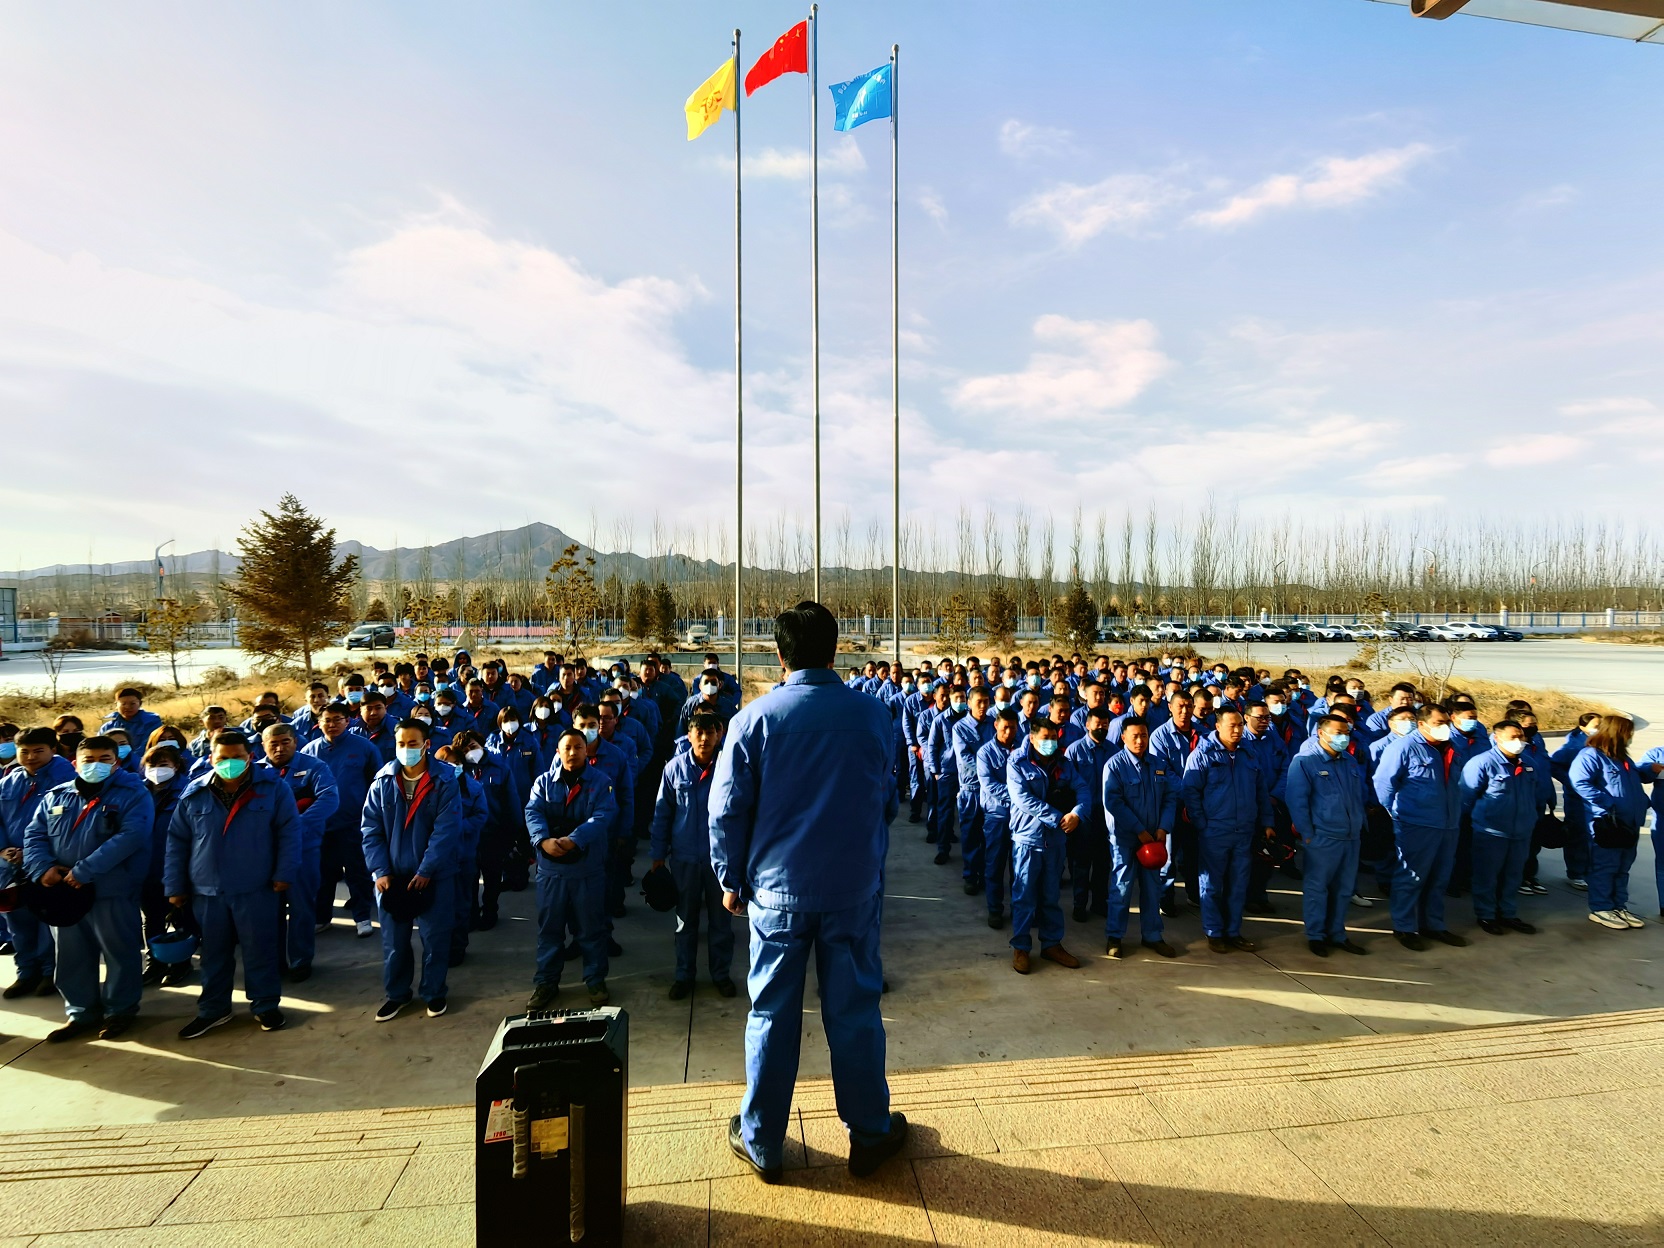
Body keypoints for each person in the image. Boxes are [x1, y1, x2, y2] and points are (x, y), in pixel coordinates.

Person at [709, 602, 906, 1185]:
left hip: (776, 895)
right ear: (835, 649)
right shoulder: (873, 716)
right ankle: (869, 1133)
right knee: (856, 1013)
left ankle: (763, 1141)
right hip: (851, 891)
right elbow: (887, 800)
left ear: (779, 654)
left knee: (771, 1014)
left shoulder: (754, 720)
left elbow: (725, 811)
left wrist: (730, 879)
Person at [166, 730, 298, 1037]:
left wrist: (284, 873)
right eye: (223, 758)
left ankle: (265, 1005)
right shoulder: (194, 792)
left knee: (260, 950)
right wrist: (174, 886)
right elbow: (177, 842)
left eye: (236, 757)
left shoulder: (273, 789)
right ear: (211, 758)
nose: (229, 763)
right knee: (213, 954)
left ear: (249, 757)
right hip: (207, 890)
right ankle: (213, 1009)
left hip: (256, 887)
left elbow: (289, 833)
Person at [25, 736, 153, 1041]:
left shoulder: (134, 793)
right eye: (89, 760)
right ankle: (81, 1013)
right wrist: (42, 868)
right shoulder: (57, 795)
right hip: (65, 893)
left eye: (104, 759)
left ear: (116, 762)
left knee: (120, 953)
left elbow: (132, 836)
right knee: (71, 956)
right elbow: (35, 834)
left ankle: (120, 1011)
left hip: (111, 890)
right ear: (75, 764)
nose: (96, 765)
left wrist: (84, 871)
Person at [361, 719, 461, 1020]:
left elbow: (446, 831)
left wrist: (427, 869)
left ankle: (434, 993)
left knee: (435, 938)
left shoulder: (445, 781)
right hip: (391, 877)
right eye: (401, 744)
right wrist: (380, 870)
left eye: (413, 743)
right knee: (394, 942)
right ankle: (397, 994)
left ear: (426, 745)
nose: (406, 749)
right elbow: (370, 830)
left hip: (434, 875)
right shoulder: (382, 781)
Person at [526, 728, 618, 1009]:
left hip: (586, 871)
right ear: (558, 751)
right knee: (550, 930)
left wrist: (574, 839)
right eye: (567, 747)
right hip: (551, 872)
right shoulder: (543, 783)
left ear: (586, 750)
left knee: (591, 929)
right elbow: (533, 811)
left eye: (578, 747)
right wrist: (543, 840)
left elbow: (603, 815)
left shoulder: (601, 783)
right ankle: (546, 982)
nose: (573, 752)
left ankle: (595, 980)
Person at [650, 709, 735, 999]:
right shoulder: (674, 769)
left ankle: (721, 974)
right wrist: (658, 855)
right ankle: (684, 975)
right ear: (689, 736)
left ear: (718, 735)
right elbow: (662, 814)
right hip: (685, 858)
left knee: (721, 922)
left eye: (710, 733)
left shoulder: (728, 767)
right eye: (699, 733)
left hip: (719, 861)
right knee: (685, 922)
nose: (704, 739)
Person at [1373, 704, 1468, 951]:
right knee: (1411, 877)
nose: (1445, 727)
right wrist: (1394, 815)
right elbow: (1383, 783)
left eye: (1447, 722)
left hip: (1448, 824)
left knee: (1439, 878)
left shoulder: (1452, 747)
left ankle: (1433, 925)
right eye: (1439, 723)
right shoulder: (1403, 747)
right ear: (1422, 724)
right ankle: (1404, 927)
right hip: (1416, 824)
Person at [1183, 708, 1273, 955]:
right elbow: (1190, 792)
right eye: (1232, 725)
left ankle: (1233, 931)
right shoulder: (1203, 754)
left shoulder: (1249, 753)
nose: (1237, 730)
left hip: (1244, 830)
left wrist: (1267, 822)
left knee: (1238, 884)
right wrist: (1202, 824)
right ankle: (1214, 932)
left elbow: (1261, 791)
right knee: (1212, 885)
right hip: (1215, 831)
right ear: (1218, 726)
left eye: (1240, 725)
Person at [259, 723, 339, 981]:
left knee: (302, 906)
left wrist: (294, 827)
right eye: (273, 744)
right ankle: (275, 961)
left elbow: (329, 799)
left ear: (295, 742)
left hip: (303, 848)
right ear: (263, 746)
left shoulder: (315, 767)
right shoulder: (256, 772)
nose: (279, 748)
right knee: (269, 910)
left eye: (285, 742)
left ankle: (300, 960)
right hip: (265, 852)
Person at [1005, 718, 1085, 974]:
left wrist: (1077, 814)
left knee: (1051, 895)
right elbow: (1023, 799)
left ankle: (1051, 944)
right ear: (1032, 738)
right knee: (1024, 896)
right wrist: (1058, 817)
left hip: (1056, 840)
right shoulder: (1017, 762)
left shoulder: (1064, 763)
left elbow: (1083, 789)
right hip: (1028, 839)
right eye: (1045, 738)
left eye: (1053, 738)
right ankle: (1021, 947)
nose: (1050, 743)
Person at [1286, 714, 1368, 957]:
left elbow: (1357, 796)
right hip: (1323, 836)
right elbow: (1296, 801)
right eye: (1338, 733)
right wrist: (1307, 835)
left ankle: (1337, 933)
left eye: (1346, 733)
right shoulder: (1305, 762)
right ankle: (1316, 935)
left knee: (1343, 889)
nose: (1343, 737)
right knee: (1318, 888)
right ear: (1321, 733)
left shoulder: (1349, 761)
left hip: (1350, 836)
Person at [1, 727, 74, 998]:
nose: (31, 757)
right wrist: (3, 849)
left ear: (53, 749)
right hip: (11, 866)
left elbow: (63, 826)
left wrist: (32, 853)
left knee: (46, 922)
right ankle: (26, 972)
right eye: (25, 751)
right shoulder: (9, 781)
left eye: (38, 751)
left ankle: (48, 972)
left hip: (46, 863)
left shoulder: (67, 780)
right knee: (18, 923)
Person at [1099, 718, 1178, 959]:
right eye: (1134, 736)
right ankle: (1115, 936)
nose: (1140, 740)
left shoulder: (1158, 764)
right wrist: (1138, 830)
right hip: (1125, 839)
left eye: (1144, 735)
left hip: (1153, 839)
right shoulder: (1114, 766)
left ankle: (1153, 935)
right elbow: (1113, 802)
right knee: (1121, 888)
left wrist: (1163, 827)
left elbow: (1170, 797)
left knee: (1152, 889)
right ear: (1123, 737)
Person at [303, 704, 382, 940]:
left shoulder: (364, 747)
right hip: (322, 825)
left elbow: (376, 783)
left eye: (338, 719)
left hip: (354, 822)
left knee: (358, 872)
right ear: (319, 723)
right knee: (323, 874)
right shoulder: (309, 752)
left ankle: (362, 917)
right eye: (327, 720)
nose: (332, 724)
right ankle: (322, 917)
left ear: (348, 721)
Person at [1460, 720, 1544, 936]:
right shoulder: (1482, 763)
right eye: (1513, 737)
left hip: (1521, 831)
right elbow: (1466, 797)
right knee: (1487, 876)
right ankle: (1486, 915)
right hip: (1491, 831)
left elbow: (1535, 793)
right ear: (1497, 738)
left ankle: (1508, 913)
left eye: (1521, 736)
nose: (1519, 741)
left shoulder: (1529, 763)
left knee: (1513, 875)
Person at [1570, 714, 1647, 931]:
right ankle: (1601, 907)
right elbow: (1579, 782)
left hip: (1630, 822)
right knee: (1605, 866)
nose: (1631, 736)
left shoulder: (1622, 758)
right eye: (1628, 732)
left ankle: (1618, 905)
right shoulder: (1591, 755)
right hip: (1608, 822)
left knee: (1623, 867)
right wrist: (1607, 802)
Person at [138, 743, 192, 986]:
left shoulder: (189, 791)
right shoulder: (138, 792)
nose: (157, 770)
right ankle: (155, 962)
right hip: (146, 867)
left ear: (176, 766)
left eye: (163, 765)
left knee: (181, 919)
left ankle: (181, 963)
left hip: (177, 866)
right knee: (152, 919)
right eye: (151, 765)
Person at [1064, 706, 1116, 922]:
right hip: (1083, 815)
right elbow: (1067, 785)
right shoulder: (1074, 751)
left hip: (1106, 815)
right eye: (1097, 723)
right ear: (1087, 725)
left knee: (1103, 862)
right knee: (1081, 862)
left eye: (1105, 724)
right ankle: (1079, 903)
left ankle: (1099, 902)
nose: (1101, 728)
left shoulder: (1113, 751)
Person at [976, 708, 1022, 929]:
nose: (1009, 732)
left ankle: (1018, 908)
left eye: (1013, 728)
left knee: (1019, 867)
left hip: (1021, 818)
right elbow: (989, 785)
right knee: (995, 864)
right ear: (996, 725)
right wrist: (1019, 795)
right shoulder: (985, 753)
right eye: (1005, 727)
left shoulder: (1023, 749)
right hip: (997, 816)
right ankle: (995, 909)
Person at [950, 686, 995, 893]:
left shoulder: (994, 724)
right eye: (979, 702)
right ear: (969, 703)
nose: (983, 706)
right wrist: (989, 768)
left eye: (986, 701)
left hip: (992, 790)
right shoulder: (960, 728)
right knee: (970, 834)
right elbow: (965, 758)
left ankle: (986, 874)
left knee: (990, 835)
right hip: (972, 788)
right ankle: (970, 874)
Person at [99, 689, 162, 774]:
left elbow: (148, 746)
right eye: (123, 704)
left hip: (144, 765)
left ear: (140, 704)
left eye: (132, 703)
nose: (128, 707)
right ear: (116, 705)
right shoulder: (108, 726)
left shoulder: (151, 722)